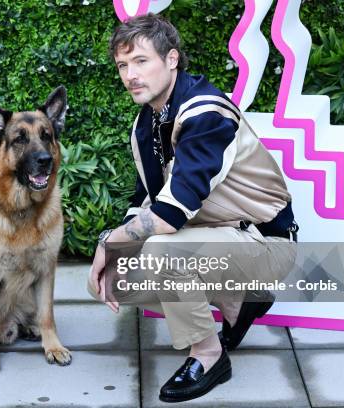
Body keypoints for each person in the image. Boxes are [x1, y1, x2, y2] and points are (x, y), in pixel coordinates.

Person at [87, 13, 298, 403]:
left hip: (264, 241)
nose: (130, 74)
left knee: (160, 252)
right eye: (122, 65)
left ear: (171, 59)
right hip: (216, 238)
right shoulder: (146, 123)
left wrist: (108, 242)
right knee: (118, 280)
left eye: (141, 61)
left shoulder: (204, 111)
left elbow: (170, 215)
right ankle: (237, 301)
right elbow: (146, 201)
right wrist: (116, 250)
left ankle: (208, 354)